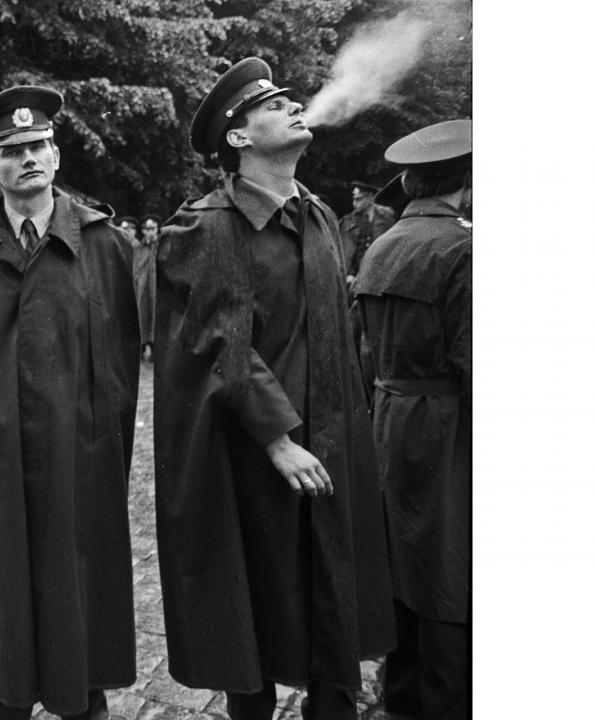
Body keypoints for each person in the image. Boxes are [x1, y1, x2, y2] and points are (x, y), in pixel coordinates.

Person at [152, 58, 395, 720]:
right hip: (251, 456)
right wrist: (280, 440)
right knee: (253, 607)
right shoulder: (206, 224)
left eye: (293, 100)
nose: (295, 108)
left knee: (335, 597)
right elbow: (222, 344)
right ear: (238, 138)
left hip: (335, 441)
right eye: (275, 105)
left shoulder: (316, 214)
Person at [0, 85, 141, 720]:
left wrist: (103, 439)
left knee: (79, 574)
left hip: (79, 450)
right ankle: (5, 700)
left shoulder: (104, 244)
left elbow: (122, 363)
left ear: (58, 155)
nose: (28, 158)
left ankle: (83, 699)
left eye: (39, 145)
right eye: (11, 152)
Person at [351, 119, 472, 720]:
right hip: (449, 424)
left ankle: (399, 694)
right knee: (451, 565)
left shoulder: (382, 245)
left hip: (389, 418)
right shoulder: (466, 248)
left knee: (401, 556)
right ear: (467, 184)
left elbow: (360, 348)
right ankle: (446, 701)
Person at [338, 180, 397, 284]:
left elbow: (393, 248)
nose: (354, 203)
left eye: (358, 199)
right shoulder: (348, 222)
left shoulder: (386, 218)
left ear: (370, 197)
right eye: (354, 199)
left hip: (380, 275)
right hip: (353, 279)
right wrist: (349, 274)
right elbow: (343, 250)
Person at [133, 215, 160, 362]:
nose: (149, 232)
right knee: (142, 313)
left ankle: (155, 347)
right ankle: (145, 346)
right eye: (146, 229)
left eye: (152, 228)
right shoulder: (139, 247)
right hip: (142, 288)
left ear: (157, 229)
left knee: (157, 314)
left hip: (157, 289)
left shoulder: (161, 245)